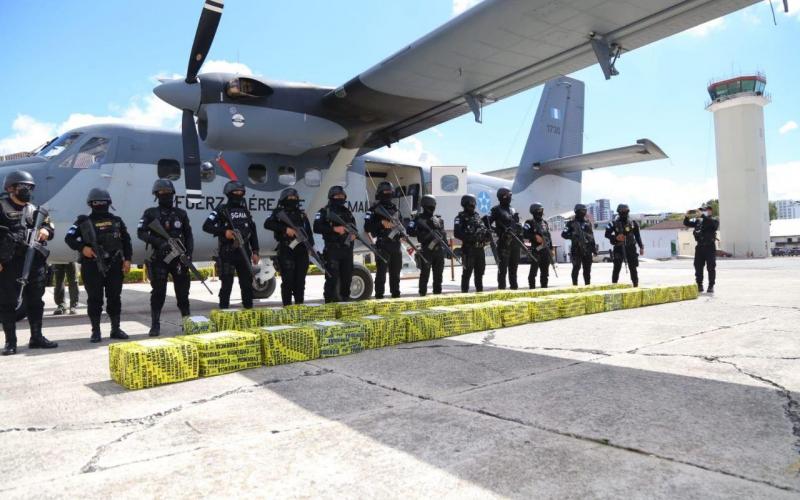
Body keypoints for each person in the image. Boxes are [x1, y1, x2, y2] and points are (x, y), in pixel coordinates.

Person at [1, 170, 58, 355]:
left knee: (36, 301)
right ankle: (11, 342)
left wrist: (46, 231)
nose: (27, 190)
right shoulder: (1, 207)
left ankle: (36, 337)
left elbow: (50, 226)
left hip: (34, 262)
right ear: (11, 188)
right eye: (23, 187)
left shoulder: (36, 210)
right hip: (9, 263)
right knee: (7, 303)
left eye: (29, 187)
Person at [65, 188, 132, 343]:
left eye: (103, 202)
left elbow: (126, 241)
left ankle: (115, 329)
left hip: (115, 265)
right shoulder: (82, 222)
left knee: (114, 298)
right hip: (92, 266)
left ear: (108, 203)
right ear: (91, 204)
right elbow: (69, 238)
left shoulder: (117, 221)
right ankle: (96, 331)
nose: (100, 205)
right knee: (95, 299)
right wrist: (83, 248)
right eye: (97, 202)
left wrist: (127, 260)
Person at [137, 179, 194, 336]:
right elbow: (140, 232)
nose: (165, 196)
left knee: (183, 293)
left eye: (168, 193)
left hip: (178, 259)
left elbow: (189, 235)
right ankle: (155, 325)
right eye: (162, 193)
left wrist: (188, 254)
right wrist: (158, 242)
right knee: (158, 293)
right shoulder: (150, 213)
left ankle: (187, 322)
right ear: (157, 195)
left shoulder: (181, 214)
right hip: (160, 259)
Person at [203, 180, 260, 309]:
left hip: (244, 253)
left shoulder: (246, 212)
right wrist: (224, 232)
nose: (238, 194)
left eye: (241, 192)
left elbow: (253, 232)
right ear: (229, 193)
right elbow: (206, 226)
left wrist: (256, 251)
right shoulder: (221, 209)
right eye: (235, 192)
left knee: (247, 285)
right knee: (226, 285)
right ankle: (224, 312)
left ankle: (248, 311)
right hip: (227, 254)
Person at [264, 187, 313, 306]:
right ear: (284, 199)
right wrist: (286, 229)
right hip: (287, 249)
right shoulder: (278, 213)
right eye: (290, 198)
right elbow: (268, 224)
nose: (293, 200)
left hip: (301, 251)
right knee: (288, 281)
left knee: (300, 282)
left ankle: (299, 306)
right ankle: (287, 307)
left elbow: (309, 233)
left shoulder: (302, 215)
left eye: (295, 198)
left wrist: (310, 247)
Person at [313, 185, 356, 303]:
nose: (340, 198)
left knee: (347, 279)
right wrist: (334, 229)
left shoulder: (347, 212)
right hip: (333, 250)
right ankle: (329, 305)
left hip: (346, 250)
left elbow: (354, 228)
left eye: (342, 196)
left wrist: (353, 235)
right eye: (338, 196)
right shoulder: (324, 211)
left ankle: (345, 303)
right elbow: (316, 227)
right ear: (332, 197)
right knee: (332, 280)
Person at [364, 181, 403, 299]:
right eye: (385, 192)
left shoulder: (396, 209)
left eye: (390, 192)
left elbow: (401, 225)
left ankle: (396, 294)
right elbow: (367, 227)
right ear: (380, 193)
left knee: (395, 273)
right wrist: (381, 223)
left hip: (396, 245)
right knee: (381, 274)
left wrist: (402, 234)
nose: (388, 194)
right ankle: (379, 295)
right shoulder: (374, 209)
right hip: (382, 244)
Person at [408, 195, 446, 296]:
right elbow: (410, 231)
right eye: (431, 205)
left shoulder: (438, 219)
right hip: (426, 250)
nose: (432, 207)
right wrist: (423, 233)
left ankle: (437, 293)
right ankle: (422, 294)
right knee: (425, 275)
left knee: (438, 276)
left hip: (438, 251)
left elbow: (444, 235)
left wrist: (446, 249)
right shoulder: (418, 218)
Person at [454, 194, 490, 293]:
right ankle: (464, 294)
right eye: (470, 203)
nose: (472, 205)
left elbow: (484, 230)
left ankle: (480, 292)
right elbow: (457, 233)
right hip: (469, 249)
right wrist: (471, 237)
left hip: (480, 249)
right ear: (465, 204)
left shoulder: (477, 217)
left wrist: (487, 236)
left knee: (480, 273)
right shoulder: (460, 217)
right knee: (467, 273)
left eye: (473, 203)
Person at [489, 187, 522, 290]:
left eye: (510, 196)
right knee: (502, 270)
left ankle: (514, 289)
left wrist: (519, 229)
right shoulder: (496, 210)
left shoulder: (513, 210)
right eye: (508, 196)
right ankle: (502, 290)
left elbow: (516, 224)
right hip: (504, 243)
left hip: (515, 243)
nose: (509, 198)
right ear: (502, 197)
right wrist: (498, 231)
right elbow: (486, 223)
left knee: (514, 269)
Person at [605, 204, 644, 287]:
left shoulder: (633, 223)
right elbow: (606, 234)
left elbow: (637, 236)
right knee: (617, 267)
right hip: (618, 247)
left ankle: (635, 284)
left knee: (633, 267)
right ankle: (614, 285)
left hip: (631, 247)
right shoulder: (613, 223)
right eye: (622, 211)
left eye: (625, 211)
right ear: (618, 212)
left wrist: (641, 247)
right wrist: (616, 237)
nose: (624, 213)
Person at [684, 203, 719, 293]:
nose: (703, 212)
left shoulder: (713, 220)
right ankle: (699, 285)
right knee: (698, 266)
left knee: (711, 267)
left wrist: (703, 216)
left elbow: (714, 226)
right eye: (702, 210)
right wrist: (687, 216)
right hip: (700, 247)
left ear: (710, 211)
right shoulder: (698, 221)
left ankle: (711, 286)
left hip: (709, 247)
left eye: (705, 210)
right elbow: (686, 223)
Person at [561, 203, 597, 286]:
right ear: (577, 211)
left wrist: (594, 249)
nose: (583, 212)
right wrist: (573, 236)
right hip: (576, 249)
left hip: (587, 249)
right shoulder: (571, 223)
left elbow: (591, 237)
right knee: (576, 268)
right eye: (582, 210)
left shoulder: (588, 223)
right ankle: (575, 285)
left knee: (587, 270)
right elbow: (564, 234)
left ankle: (587, 285)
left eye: (585, 210)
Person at [522, 202, 553, 289]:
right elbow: (524, 234)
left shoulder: (544, 223)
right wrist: (534, 237)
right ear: (534, 211)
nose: (541, 212)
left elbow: (548, 236)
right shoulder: (529, 222)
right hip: (535, 251)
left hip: (545, 251)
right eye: (539, 210)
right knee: (533, 273)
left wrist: (551, 249)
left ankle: (544, 287)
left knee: (545, 273)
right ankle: (532, 288)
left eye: (542, 210)